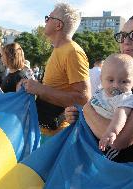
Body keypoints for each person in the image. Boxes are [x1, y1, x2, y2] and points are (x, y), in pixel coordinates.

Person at [65, 15, 133, 162]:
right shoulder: (118, 80)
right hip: (101, 171)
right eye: (123, 36)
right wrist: (79, 116)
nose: (126, 41)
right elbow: (102, 113)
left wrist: (86, 110)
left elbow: (119, 141)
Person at [20, 3, 90, 138]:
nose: (45, 21)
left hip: (55, 135)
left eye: (48, 18)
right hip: (42, 129)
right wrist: (31, 85)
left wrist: (40, 89)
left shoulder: (73, 52)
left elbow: (83, 99)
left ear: (58, 25)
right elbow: (55, 87)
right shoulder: (58, 50)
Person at [90, 53, 133, 151]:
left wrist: (112, 132)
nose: (116, 85)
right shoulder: (101, 91)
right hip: (87, 127)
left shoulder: (125, 97)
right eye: (110, 80)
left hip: (101, 138)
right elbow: (89, 105)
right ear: (101, 78)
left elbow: (121, 114)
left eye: (124, 82)